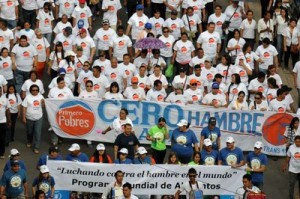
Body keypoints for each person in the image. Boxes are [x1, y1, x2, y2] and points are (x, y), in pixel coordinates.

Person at [22, 85, 44, 154]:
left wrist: (43, 103)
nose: (35, 91)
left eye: (37, 90)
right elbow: (24, 107)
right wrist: (23, 117)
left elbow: (44, 106)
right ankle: (29, 141)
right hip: (29, 118)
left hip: (39, 117)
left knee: (38, 133)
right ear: (31, 91)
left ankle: (36, 147)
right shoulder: (28, 97)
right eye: (33, 90)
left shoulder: (41, 96)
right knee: (29, 132)